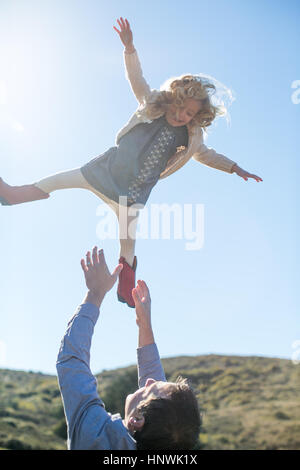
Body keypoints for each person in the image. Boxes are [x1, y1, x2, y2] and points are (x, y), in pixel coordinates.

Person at [0, 17, 262, 308]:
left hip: (132, 193)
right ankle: (12, 195)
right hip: (104, 171)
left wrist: (235, 167)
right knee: (58, 181)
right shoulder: (151, 103)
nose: (182, 115)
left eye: (190, 113)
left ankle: (125, 290)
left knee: (128, 243)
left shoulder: (193, 137)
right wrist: (129, 48)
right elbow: (137, 78)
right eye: (180, 107)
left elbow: (206, 155)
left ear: (196, 117)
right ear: (172, 98)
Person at [56, 246, 201, 450]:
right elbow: (154, 397)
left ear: (137, 421)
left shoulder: (94, 438)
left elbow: (72, 362)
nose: (150, 380)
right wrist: (144, 325)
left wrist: (95, 293)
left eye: (152, 388)